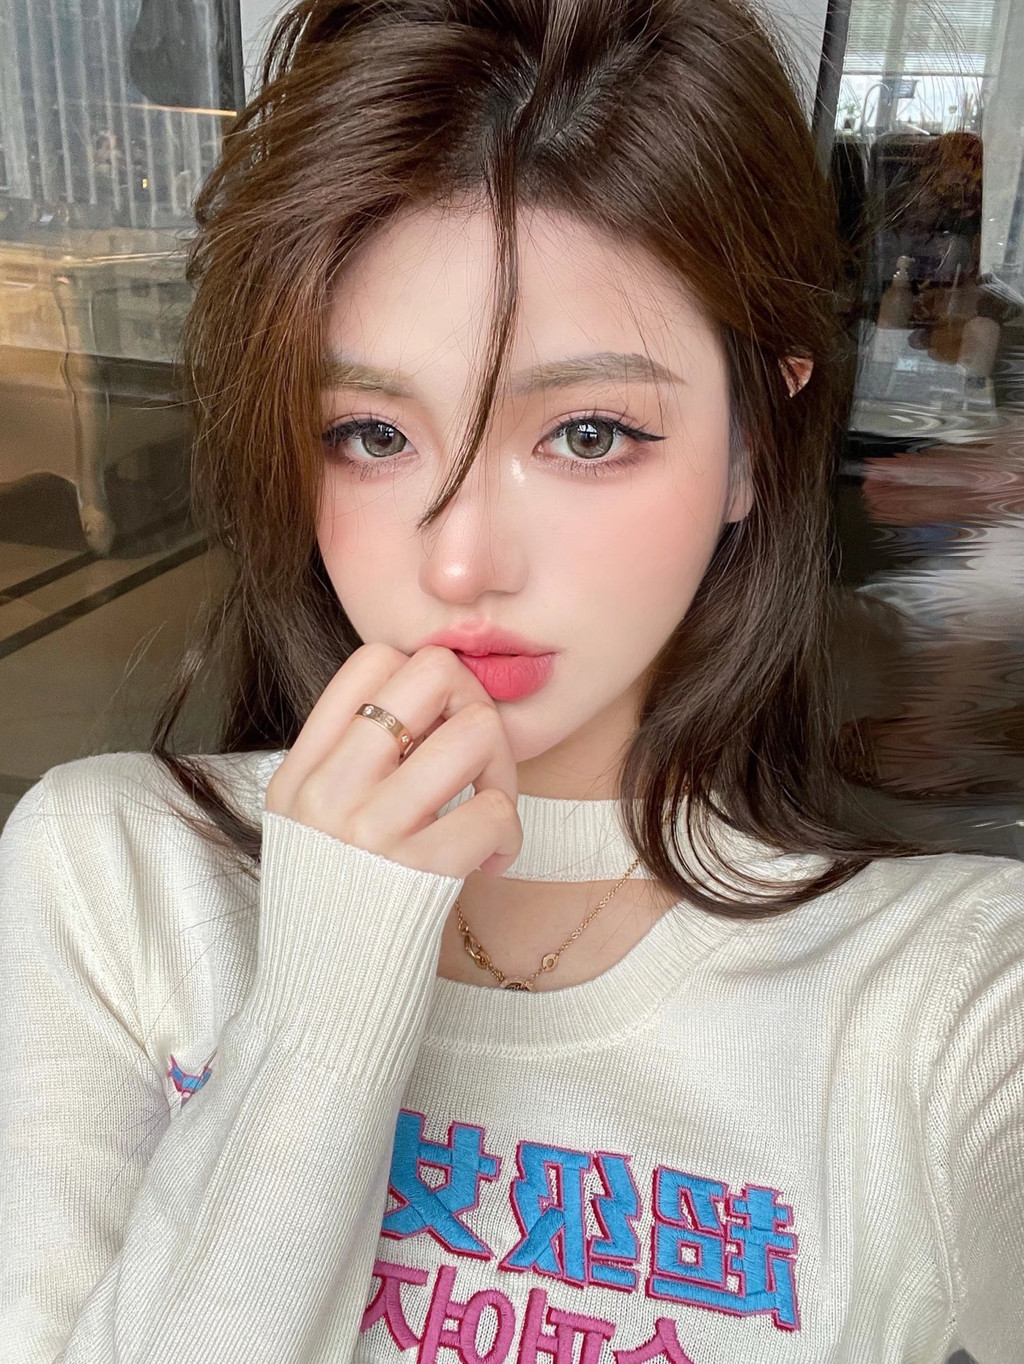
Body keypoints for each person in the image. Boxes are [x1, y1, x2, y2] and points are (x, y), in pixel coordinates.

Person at [1, 0, 1022, 1360]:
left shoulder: (947, 993)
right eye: (371, 434)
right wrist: (319, 1015)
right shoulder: (120, 871)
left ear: (750, 449)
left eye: (588, 433)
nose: (460, 560)